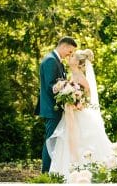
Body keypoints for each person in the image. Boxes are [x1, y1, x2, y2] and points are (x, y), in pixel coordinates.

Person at [46, 49, 113, 180]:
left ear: (76, 62)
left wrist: (76, 103)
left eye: (71, 57)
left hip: (80, 116)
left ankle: (86, 174)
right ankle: (65, 175)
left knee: (83, 142)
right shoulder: (71, 76)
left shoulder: (81, 77)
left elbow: (87, 97)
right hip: (70, 116)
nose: (69, 58)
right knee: (65, 141)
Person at [36, 36, 77, 173]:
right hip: (51, 108)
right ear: (64, 46)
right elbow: (50, 86)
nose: (69, 55)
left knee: (54, 140)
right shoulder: (50, 61)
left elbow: (57, 83)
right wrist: (67, 89)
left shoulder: (56, 61)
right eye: (70, 51)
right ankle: (45, 173)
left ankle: (52, 171)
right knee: (50, 141)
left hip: (56, 108)